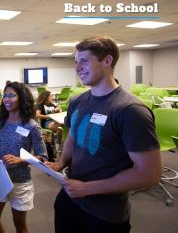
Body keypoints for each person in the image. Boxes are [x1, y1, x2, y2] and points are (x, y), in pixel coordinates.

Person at [46, 35, 162, 233]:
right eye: (76, 62)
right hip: (70, 198)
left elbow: (150, 174)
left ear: (107, 61)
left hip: (105, 214)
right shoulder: (77, 101)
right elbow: (73, 137)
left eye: (84, 61)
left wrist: (87, 188)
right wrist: (60, 163)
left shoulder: (130, 110)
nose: (77, 67)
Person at [0, 82, 47, 233]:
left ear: (22, 98)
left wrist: (21, 159)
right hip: (1, 177)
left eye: (11, 95)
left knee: (19, 224)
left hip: (21, 181)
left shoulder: (31, 125)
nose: (6, 99)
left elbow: (43, 156)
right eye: (5, 95)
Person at [36, 90, 63, 160]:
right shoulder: (41, 105)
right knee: (59, 127)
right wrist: (48, 116)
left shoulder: (52, 104)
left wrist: (58, 109)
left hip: (54, 121)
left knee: (61, 127)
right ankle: (57, 148)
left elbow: (58, 110)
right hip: (46, 123)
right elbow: (37, 114)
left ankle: (56, 146)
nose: (52, 97)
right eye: (50, 96)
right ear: (46, 97)